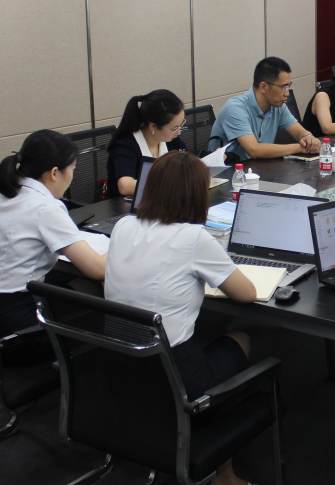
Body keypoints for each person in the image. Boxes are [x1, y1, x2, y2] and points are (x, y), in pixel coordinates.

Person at [104, 152, 258, 485]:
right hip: (179, 383)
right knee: (241, 339)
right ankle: (225, 475)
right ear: (197, 196)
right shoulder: (193, 238)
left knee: (202, 337)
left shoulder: (123, 226)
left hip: (122, 370)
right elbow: (246, 293)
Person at [0, 129, 107, 365]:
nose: (72, 176)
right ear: (54, 173)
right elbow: (97, 269)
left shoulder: (4, 191)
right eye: (72, 169)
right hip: (20, 333)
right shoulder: (45, 207)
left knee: (86, 286)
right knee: (104, 298)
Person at [208, 56, 322, 160]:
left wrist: (308, 137)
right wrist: (299, 148)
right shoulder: (235, 109)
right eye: (284, 87)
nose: (287, 93)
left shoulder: (278, 106)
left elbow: (299, 132)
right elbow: (254, 150)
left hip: (261, 169)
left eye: (288, 87)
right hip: (231, 172)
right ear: (263, 87)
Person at [106, 89, 188, 199]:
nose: (178, 132)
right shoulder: (126, 146)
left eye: (180, 125)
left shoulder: (171, 140)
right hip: (126, 206)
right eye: (174, 128)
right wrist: (168, 183)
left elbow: (189, 162)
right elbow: (125, 186)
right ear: (153, 126)